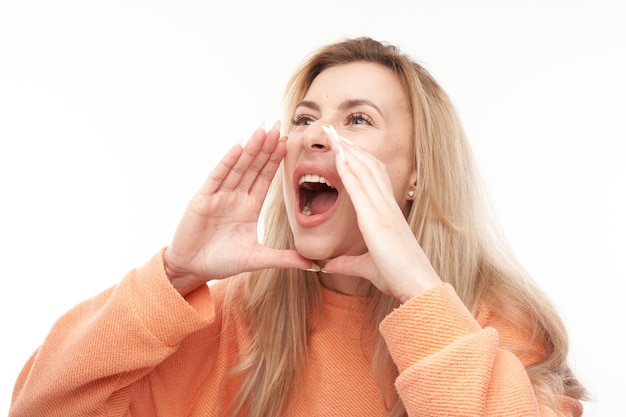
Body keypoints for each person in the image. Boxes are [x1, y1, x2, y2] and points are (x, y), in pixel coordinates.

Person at [9, 37, 587, 417]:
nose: (315, 135)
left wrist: (418, 291)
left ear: (417, 175)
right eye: (305, 118)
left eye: (357, 119)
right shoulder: (231, 318)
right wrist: (174, 273)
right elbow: (39, 405)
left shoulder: (491, 325)